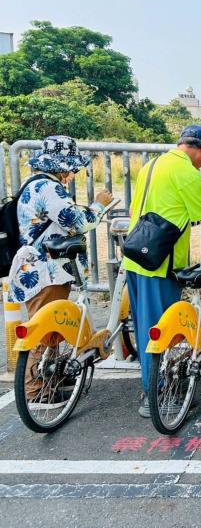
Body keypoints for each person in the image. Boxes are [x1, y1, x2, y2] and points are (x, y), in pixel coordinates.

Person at [124, 125, 201, 418]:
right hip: (159, 262)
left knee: (145, 327)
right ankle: (156, 394)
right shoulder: (188, 173)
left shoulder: (152, 165)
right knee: (161, 330)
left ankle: (153, 388)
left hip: (135, 255)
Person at [9, 136, 113, 406]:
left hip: (37, 267)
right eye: (71, 169)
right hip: (46, 270)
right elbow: (77, 223)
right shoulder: (48, 187)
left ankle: (49, 381)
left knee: (52, 327)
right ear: (63, 167)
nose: (71, 175)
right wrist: (99, 204)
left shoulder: (33, 184)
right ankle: (37, 392)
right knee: (43, 330)